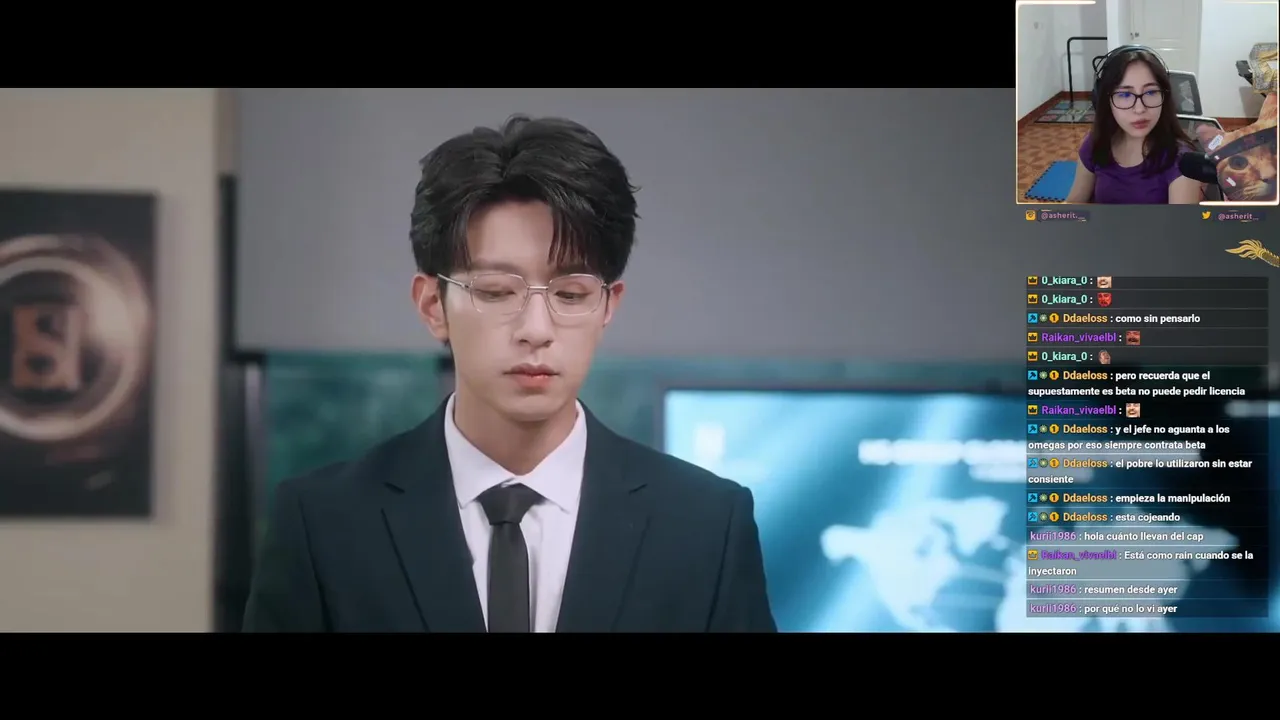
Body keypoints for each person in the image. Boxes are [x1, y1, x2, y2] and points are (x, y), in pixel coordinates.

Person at [242, 115, 777, 633]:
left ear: (608, 306)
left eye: (571, 294)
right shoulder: (324, 524)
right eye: (497, 292)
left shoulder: (705, 525)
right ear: (432, 305)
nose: (536, 329)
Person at [1065, 47, 1202, 204]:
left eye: (1150, 92)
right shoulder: (1096, 142)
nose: (1139, 109)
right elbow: (1074, 203)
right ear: (1105, 101)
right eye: (1125, 94)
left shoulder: (1181, 162)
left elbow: (1180, 221)